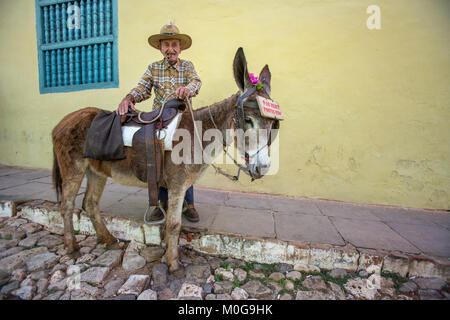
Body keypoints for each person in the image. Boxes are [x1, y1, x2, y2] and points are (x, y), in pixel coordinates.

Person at [116, 22, 201, 222]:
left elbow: (196, 82)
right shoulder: (153, 68)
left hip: (182, 117)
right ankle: (160, 202)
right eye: (166, 45)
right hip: (159, 117)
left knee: (184, 159)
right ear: (159, 48)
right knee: (157, 155)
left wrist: (187, 89)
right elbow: (142, 88)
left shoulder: (188, 66)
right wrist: (129, 98)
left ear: (180, 48)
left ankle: (190, 204)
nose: (170, 49)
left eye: (174, 44)